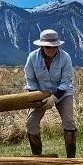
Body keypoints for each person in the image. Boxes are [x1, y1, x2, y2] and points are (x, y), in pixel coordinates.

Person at [24, 29, 77, 158]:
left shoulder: (65, 57)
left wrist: (54, 98)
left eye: (54, 47)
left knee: (69, 122)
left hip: (63, 94)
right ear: (42, 46)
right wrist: (36, 96)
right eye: (48, 47)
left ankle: (71, 159)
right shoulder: (32, 57)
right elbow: (30, 80)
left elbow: (66, 81)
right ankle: (37, 158)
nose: (51, 50)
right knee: (31, 123)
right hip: (40, 93)